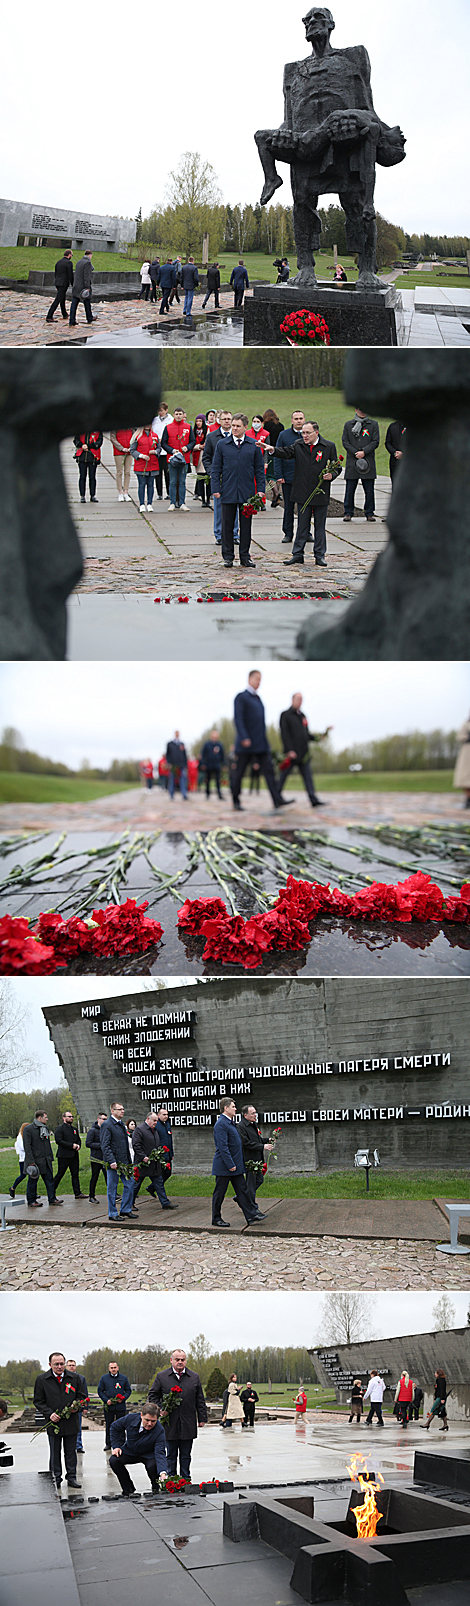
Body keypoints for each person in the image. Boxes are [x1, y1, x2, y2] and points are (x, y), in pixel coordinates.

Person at [272, 419, 341, 566]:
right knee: (302, 525)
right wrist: (271, 449)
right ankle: (297, 554)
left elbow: (337, 466)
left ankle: (319, 555)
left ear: (316, 433)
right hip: (303, 492)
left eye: (307, 433)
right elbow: (285, 452)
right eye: (303, 433)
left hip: (320, 492)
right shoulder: (299, 445)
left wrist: (331, 475)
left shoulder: (328, 446)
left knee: (320, 526)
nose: (304, 436)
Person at [231, 669, 295, 813]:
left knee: (270, 771)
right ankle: (235, 800)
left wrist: (266, 742)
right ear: (249, 679)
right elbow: (238, 718)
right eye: (256, 679)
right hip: (246, 744)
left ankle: (277, 799)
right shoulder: (241, 697)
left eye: (260, 679)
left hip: (260, 743)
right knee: (239, 773)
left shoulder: (258, 699)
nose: (258, 682)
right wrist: (244, 736)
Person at [211, 413, 266, 570]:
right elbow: (216, 469)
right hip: (227, 491)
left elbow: (259, 470)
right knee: (227, 526)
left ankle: (245, 556)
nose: (234, 428)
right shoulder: (223, 444)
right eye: (233, 426)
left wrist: (261, 490)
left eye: (237, 426)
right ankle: (228, 557)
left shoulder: (253, 445)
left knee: (246, 526)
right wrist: (215, 488)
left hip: (247, 492)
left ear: (245, 427)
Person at [149, 1348, 207, 1481]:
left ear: (186, 1361)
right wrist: (161, 1409)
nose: (180, 1362)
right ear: (171, 1360)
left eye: (183, 1360)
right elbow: (152, 1396)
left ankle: (185, 1479)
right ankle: (171, 1479)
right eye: (177, 1359)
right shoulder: (162, 1376)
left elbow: (200, 1399)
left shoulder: (194, 1377)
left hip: (188, 1420)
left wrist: (202, 1417)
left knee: (186, 1454)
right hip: (170, 1422)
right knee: (171, 1454)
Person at [34, 1353, 87, 1489]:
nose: (59, 1367)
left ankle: (72, 1477)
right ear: (50, 1364)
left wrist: (76, 1406)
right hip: (53, 1422)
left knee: (70, 1452)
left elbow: (82, 1397)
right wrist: (49, 1413)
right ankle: (56, 1477)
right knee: (55, 1451)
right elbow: (38, 1401)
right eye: (56, 1364)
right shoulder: (42, 1379)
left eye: (61, 1364)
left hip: (71, 1421)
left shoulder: (74, 1378)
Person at [211, 1095, 266, 1227]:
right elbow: (223, 1147)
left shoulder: (231, 1122)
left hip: (236, 1166)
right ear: (226, 1108)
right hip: (225, 1166)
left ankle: (251, 1215)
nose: (235, 1109)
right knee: (219, 1193)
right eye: (233, 1107)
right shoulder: (221, 1124)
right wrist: (230, 1164)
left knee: (243, 1191)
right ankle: (216, 1218)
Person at [279, 693, 332, 806]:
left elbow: (306, 734)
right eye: (298, 699)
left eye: (301, 699)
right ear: (292, 700)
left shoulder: (302, 716)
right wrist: (289, 750)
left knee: (308, 777)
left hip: (303, 753)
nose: (300, 701)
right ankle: (277, 797)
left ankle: (313, 799)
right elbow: (284, 734)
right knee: (283, 776)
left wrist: (318, 737)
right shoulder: (285, 715)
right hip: (291, 753)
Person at [109, 1400, 167, 1496]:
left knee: (153, 1466)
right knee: (114, 1460)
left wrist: (163, 1473)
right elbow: (114, 1427)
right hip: (130, 1451)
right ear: (141, 1415)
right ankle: (128, 1488)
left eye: (153, 1421)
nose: (149, 1424)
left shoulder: (159, 1431)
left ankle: (156, 1488)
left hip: (148, 1454)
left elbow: (160, 1452)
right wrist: (116, 1446)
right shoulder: (130, 1418)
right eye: (147, 1420)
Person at [203, 409, 238, 546]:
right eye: (224, 419)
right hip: (219, 477)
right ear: (219, 420)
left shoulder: (237, 436)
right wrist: (212, 472)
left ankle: (234, 533)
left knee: (234, 506)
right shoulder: (212, 437)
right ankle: (219, 534)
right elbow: (206, 457)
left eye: (229, 419)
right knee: (219, 507)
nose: (227, 421)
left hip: (234, 477)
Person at [132, 1111, 178, 1210]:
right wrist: (143, 1156)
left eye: (157, 1121)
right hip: (142, 1163)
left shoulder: (154, 1130)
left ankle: (165, 1203)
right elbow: (136, 1145)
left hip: (154, 1162)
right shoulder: (139, 1130)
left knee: (159, 1183)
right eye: (154, 1121)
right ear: (148, 1119)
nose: (156, 1123)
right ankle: (130, 1203)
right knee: (136, 1184)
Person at [272, 409, 305, 544]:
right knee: (289, 508)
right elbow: (278, 455)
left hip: (305, 478)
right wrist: (279, 475)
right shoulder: (284, 435)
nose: (298, 421)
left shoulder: (308, 434)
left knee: (304, 508)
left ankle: (305, 532)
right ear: (292, 421)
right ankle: (288, 533)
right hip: (288, 476)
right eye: (296, 418)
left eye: (301, 418)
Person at [100, 1101, 137, 1223]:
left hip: (124, 1162)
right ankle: (112, 1213)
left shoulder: (121, 1125)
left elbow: (125, 1144)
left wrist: (129, 1161)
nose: (122, 1111)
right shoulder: (107, 1125)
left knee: (130, 1183)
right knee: (112, 1188)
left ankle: (125, 1209)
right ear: (112, 1111)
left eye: (123, 1109)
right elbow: (105, 1145)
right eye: (119, 1109)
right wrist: (111, 1160)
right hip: (114, 1163)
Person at [342, 409, 380, 522]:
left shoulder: (373, 424)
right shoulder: (348, 425)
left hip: (367, 460)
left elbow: (375, 441)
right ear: (355, 410)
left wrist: (364, 451)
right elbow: (345, 441)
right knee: (350, 488)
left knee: (369, 489)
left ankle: (369, 512)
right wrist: (355, 452)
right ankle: (348, 512)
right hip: (352, 460)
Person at [23, 1110, 63, 1208]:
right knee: (32, 1182)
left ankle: (52, 1198)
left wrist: (50, 1157)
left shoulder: (45, 1128)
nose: (47, 1119)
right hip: (35, 1161)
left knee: (49, 1180)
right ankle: (31, 1200)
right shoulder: (29, 1129)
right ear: (39, 1118)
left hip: (46, 1160)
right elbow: (27, 1146)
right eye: (45, 1117)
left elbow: (47, 1144)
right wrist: (31, 1161)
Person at [239, 1104, 273, 1207]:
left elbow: (257, 1140)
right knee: (251, 1184)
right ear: (245, 1115)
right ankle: (251, 1206)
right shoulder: (241, 1127)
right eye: (252, 1113)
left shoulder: (253, 1124)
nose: (255, 1115)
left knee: (259, 1180)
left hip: (257, 1159)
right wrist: (263, 1146)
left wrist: (267, 1140)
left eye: (255, 1112)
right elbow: (246, 1144)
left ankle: (241, 1197)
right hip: (250, 1160)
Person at [161, 408, 195, 510]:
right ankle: (172, 502)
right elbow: (163, 442)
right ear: (173, 415)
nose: (179, 416)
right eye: (177, 414)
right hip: (172, 459)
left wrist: (187, 447)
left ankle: (182, 503)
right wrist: (172, 450)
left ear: (183, 415)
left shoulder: (188, 427)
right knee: (172, 481)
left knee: (182, 481)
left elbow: (193, 441)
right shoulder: (168, 427)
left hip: (184, 459)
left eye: (180, 414)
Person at [97, 1361, 132, 1449]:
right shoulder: (104, 1378)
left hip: (120, 1406)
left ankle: (122, 1443)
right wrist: (106, 1400)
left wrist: (123, 1398)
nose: (113, 1369)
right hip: (109, 1407)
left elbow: (128, 1391)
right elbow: (100, 1391)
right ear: (109, 1368)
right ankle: (109, 1443)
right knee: (109, 1425)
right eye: (111, 1368)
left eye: (115, 1367)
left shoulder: (123, 1378)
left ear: (118, 1368)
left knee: (121, 1425)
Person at [54, 1110, 84, 1199]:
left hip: (74, 1155)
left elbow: (78, 1139)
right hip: (64, 1156)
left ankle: (77, 1192)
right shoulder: (60, 1128)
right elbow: (59, 1141)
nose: (71, 1118)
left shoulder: (74, 1129)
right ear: (64, 1118)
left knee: (75, 1174)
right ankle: (51, 1190)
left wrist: (78, 1145)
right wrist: (71, 1145)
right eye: (69, 1117)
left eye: (72, 1117)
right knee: (60, 1173)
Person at [130, 424, 160, 513]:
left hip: (153, 464)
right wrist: (141, 455)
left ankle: (150, 503)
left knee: (151, 484)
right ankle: (142, 504)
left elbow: (159, 447)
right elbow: (132, 450)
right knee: (142, 484)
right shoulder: (137, 436)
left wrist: (155, 451)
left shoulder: (155, 436)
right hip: (141, 465)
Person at [73, 432, 102, 504]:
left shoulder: (97, 431)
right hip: (82, 457)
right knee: (82, 476)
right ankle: (82, 495)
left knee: (92, 477)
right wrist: (81, 445)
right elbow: (76, 440)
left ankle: (92, 495)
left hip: (92, 457)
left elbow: (99, 441)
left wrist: (88, 446)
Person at [66, 1359, 88, 1454]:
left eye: (73, 1365)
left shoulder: (81, 1378)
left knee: (78, 1427)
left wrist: (85, 1407)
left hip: (77, 1407)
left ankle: (78, 1445)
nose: (71, 1367)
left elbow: (84, 1393)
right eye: (69, 1365)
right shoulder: (64, 1377)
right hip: (65, 1407)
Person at [152, 403, 173, 499]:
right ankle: (159, 493)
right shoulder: (155, 420)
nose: (160, 413)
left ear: (166, 410)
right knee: (158, 473)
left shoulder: (171, 420)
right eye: (159, 411)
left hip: (166, 450)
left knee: (167, 473)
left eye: (162, 411)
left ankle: (169, 493)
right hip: (157, 450)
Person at [46, 250, 74, 323]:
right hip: (63, 283)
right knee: (58, 299)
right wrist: (73, 284)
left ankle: (64, 313)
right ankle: (49, 316)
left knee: (62, 298)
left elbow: (56, 273)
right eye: (71, 255)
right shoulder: (69, 263)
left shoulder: (59, 262)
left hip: (58, 283)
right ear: (69, 255)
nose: (71, 257)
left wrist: (56, 283)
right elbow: (70, 275)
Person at [85, 1113, 108, 1201]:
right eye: (103, 1119)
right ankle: (91, 1196)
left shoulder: (106, 1130)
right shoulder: (93, 1130)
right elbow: (88, 1143)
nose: (105, 1121)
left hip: (105, 1157)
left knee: (108, 1176)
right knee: (95, 1177)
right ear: (98, 1119)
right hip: (96, 1158)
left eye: (106, 1119)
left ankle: (113, 1194)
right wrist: (101, 1145)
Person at [69, 250, 95, 326]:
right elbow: (86, 276)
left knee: (74, 303)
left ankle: (72, 320)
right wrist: (87, 287)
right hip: (83, 286)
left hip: (76, 285)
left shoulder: (79, 262)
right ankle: (89, 317)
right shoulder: (87, 263)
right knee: (87, 302)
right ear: (90, 255)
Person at [110, 428, 134, 501]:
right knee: (119, 472)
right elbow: (113, 438)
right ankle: (120, 492)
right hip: (119, 452)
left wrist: (131, 447)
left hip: (129, 451)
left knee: (127, 472)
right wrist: (121, 448)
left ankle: (126, 492)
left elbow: (135, 436)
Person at [200, 730, 225, 798]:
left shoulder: (219, 745)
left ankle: (219, 794)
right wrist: (203, 764)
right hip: (208, 764)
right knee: (208, 779)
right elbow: (203, 754)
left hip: (216, 765)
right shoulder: (207, 744)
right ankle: (207, 793)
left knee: (218, 780)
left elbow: (222, 755)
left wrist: (224, 764)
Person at [453, 715, 470, 810]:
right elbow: (459, 736)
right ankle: (468, 798)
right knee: (466, 778)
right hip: (468, 753)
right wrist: (467, 737)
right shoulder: (466, 724)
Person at [166, 731, 188, 800]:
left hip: (181, 765)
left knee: (183, 780)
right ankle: (171, 794)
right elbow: (168, 754)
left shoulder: (182, 744)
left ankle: (184, 794)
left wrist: (185, 764)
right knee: (172, 780)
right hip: (173, 765)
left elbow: (184, 755)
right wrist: (169, 763)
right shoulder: (170, 744)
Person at [192, 415, 209, 503]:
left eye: (200, 421)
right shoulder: (194, 432)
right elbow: (191, 444)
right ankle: (202, 499)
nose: (198, 423)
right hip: (198, 457)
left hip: (207, 456)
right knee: (200, 479)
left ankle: (208, 499)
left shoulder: (207, 431)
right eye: (197, 421)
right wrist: (199, 446)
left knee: (208, 479)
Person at [9, 1123, 27, 1197]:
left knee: (33, 1176)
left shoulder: (26, 1136)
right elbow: (22, 1147)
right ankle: (13, 1188)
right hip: (23, 1159)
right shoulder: (20, 1137)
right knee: (23, 1175)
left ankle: (32, 1193)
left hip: (29, 1158)